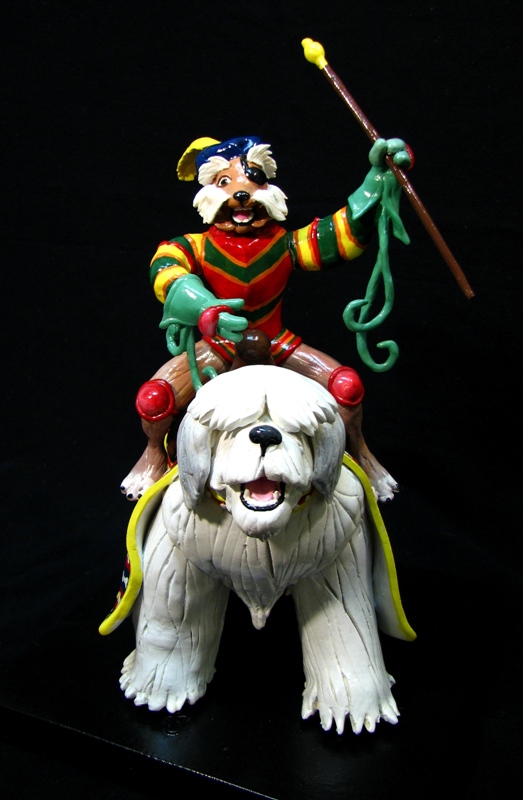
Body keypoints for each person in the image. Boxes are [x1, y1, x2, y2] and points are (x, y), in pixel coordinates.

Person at [121, 135, 411, 501]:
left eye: (254, 178)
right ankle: (153, 454)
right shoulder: (193, 246)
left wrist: (377, 179)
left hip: (276, 342)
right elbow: (166, 272)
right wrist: (204, 308)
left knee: (347, 388)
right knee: (154, 399)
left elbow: (342, 235)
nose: (241, 193)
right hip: (219, 345)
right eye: (225, 182)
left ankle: (360, 452)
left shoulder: (286, 244)